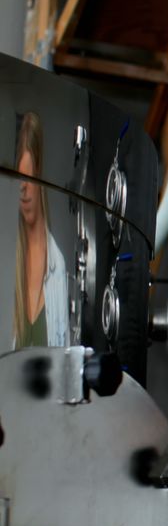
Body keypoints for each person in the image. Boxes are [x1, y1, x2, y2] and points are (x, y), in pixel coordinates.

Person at [13, 111, 68, 349]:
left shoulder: (58, 267)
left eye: (29, 177)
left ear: (41, 177)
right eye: (17, 178)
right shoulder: (7, 262)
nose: (23, 189)